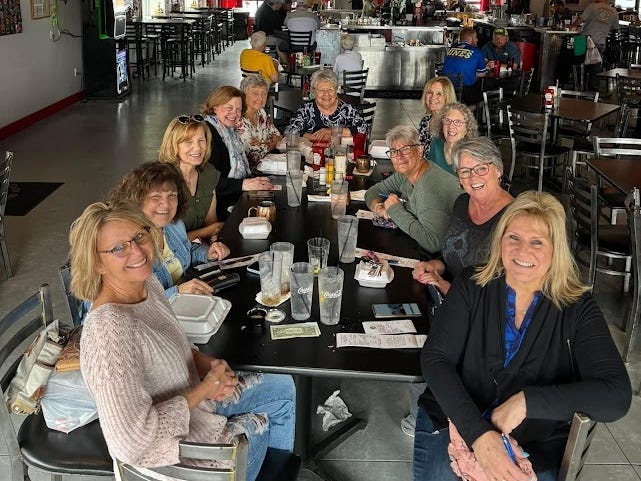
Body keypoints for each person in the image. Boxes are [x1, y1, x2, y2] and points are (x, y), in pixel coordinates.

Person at [414, 191, 631, 481]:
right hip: (455, 416)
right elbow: (435, 359)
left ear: (556, 250)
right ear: (500, 239)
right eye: (513, 237)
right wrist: (479, 436)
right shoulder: (472, 284)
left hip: (536, 443)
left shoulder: (577, 308)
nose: (521, 251)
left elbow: (616, 396)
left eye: (537, 242)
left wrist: (527, 402)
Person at [72, 202, 296, 481]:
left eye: (139, 237)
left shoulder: (147, 284)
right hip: (171, 457)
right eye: (119, 248)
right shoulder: (109, 331)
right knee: (259, 425)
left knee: (283, 386)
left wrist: (208, 364)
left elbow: (175, 346)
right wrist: (204, 390)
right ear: (96, 262)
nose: (138, 252)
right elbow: (130, 443)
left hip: (196, 409)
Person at [401, 138, 513, 438]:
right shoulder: (463, 203)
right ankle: (427, 411)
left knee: (423, 352)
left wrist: (443, 284)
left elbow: (497, 301)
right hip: (441, 301)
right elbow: (453, 253)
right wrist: (436, 267)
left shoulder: (512, 221)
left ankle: (439, 419)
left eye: (481, 169)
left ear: (498, 170)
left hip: (480, 325)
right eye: (464, 172)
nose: (472, 178)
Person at [109, 161, 231, 298]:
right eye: (156, 196)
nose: (166, 204)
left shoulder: (174, 225)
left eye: (172, 195)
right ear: (137, 199)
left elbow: (187, 249)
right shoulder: (125, 243)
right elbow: (128, 302)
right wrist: (176, 293)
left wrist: (207, 253)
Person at [364, 125, 461, 254]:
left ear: (420, 151)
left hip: (448, 259)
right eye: (393, 151)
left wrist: (395, 210)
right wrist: (379, 208)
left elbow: (433, 243)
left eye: (405, 150)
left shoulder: (429, 188)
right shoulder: (406, 173)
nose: (399, 156)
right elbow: (372, 192)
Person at [201, 86, 275, 219]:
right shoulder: (207, 134)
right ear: (215, 107)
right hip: (217, 206)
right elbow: (206, 184)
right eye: (229, 108)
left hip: (234, 195)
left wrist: (253, 180)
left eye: (238, 110)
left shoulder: (230, 131)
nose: (234, 114)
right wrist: (244, 184)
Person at [158, 114, 224, 242]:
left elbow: (211, 221)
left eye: (201, 140)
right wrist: (211, 230)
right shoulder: (162, 180)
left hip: (201, 251)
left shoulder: (208, 173)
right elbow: (165, 243)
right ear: (174, 145)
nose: (197, 148)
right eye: (188, 142)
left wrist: (214, 238)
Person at [287, 68, 368, 142]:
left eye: (330, 89)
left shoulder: (347, 109)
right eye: (321, 90)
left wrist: (332, 131)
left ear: (336, 90)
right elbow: (292, 131)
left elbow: (363, 129)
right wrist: (318, 138)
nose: (326, 94)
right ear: (313, 91)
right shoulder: (306, 110)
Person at [570, 0, 619, 90]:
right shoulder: (614, 11)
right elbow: (615, 28)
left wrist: (572, 25)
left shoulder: (592, 6)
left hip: (583, 39)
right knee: (595, 69)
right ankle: (593, 91)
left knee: (577, 64)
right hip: (600, 42)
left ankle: (577, 87)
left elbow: (580, 19)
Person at [238, 74, 283, 168]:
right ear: (243, 95)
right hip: (248, 173)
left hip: (266, 166)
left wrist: (263, 144)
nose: (261, 98)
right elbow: (253, 153)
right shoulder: (238, 119)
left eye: (264, 94)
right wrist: (273, 144)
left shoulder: (261, 113)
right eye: (255, 94)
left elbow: (278, 135)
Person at [428, 103, 479, 176]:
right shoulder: (435, 144)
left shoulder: (472, 153)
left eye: (458, 122)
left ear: (467, 128)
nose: (451, 126)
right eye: (447, 121)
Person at [442, 27, 487, 104]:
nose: (477, 40)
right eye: (475, 37)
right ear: (470, 39)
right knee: (483, 98)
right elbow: (482, 73)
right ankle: (468, 112)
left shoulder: (451, 49)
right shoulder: (477, 52)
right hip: (464, 90)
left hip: (446, 88)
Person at [417, 77, 457, 159]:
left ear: (447, 97)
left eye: (439, 94)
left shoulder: (451, 124)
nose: (433, 97)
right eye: (430, 92)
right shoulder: (425, 121)